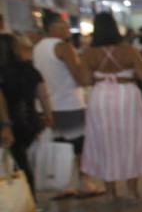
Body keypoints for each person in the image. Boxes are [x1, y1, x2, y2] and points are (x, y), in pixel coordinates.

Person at [79, 13, 142, 202]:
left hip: (100, 96)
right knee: (131, 139)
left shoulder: (89, 53)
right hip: (126, 95)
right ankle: (132, 189)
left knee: (104, 141)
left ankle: (110, 191)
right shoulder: (128, 50)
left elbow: (85, 79)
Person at [32, 13, 103, 199]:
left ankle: (61, 183)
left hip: (47, 103)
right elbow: (79, 76)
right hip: (69, 102)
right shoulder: (63, 47)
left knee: (59, 144)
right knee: (80, 145)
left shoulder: (37, 47)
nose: (67, 30)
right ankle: (83, 182)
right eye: (63, 26)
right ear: (52, 28)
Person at [0, 33, 53, 212]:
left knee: (16, 161)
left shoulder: (3, 73)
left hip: (9, 120)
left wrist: (6, 123)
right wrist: (48, 114)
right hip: (29, 119)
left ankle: (22, 200)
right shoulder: (29, 69)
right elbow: (43, 94)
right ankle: (30, 199)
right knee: (22, 160)